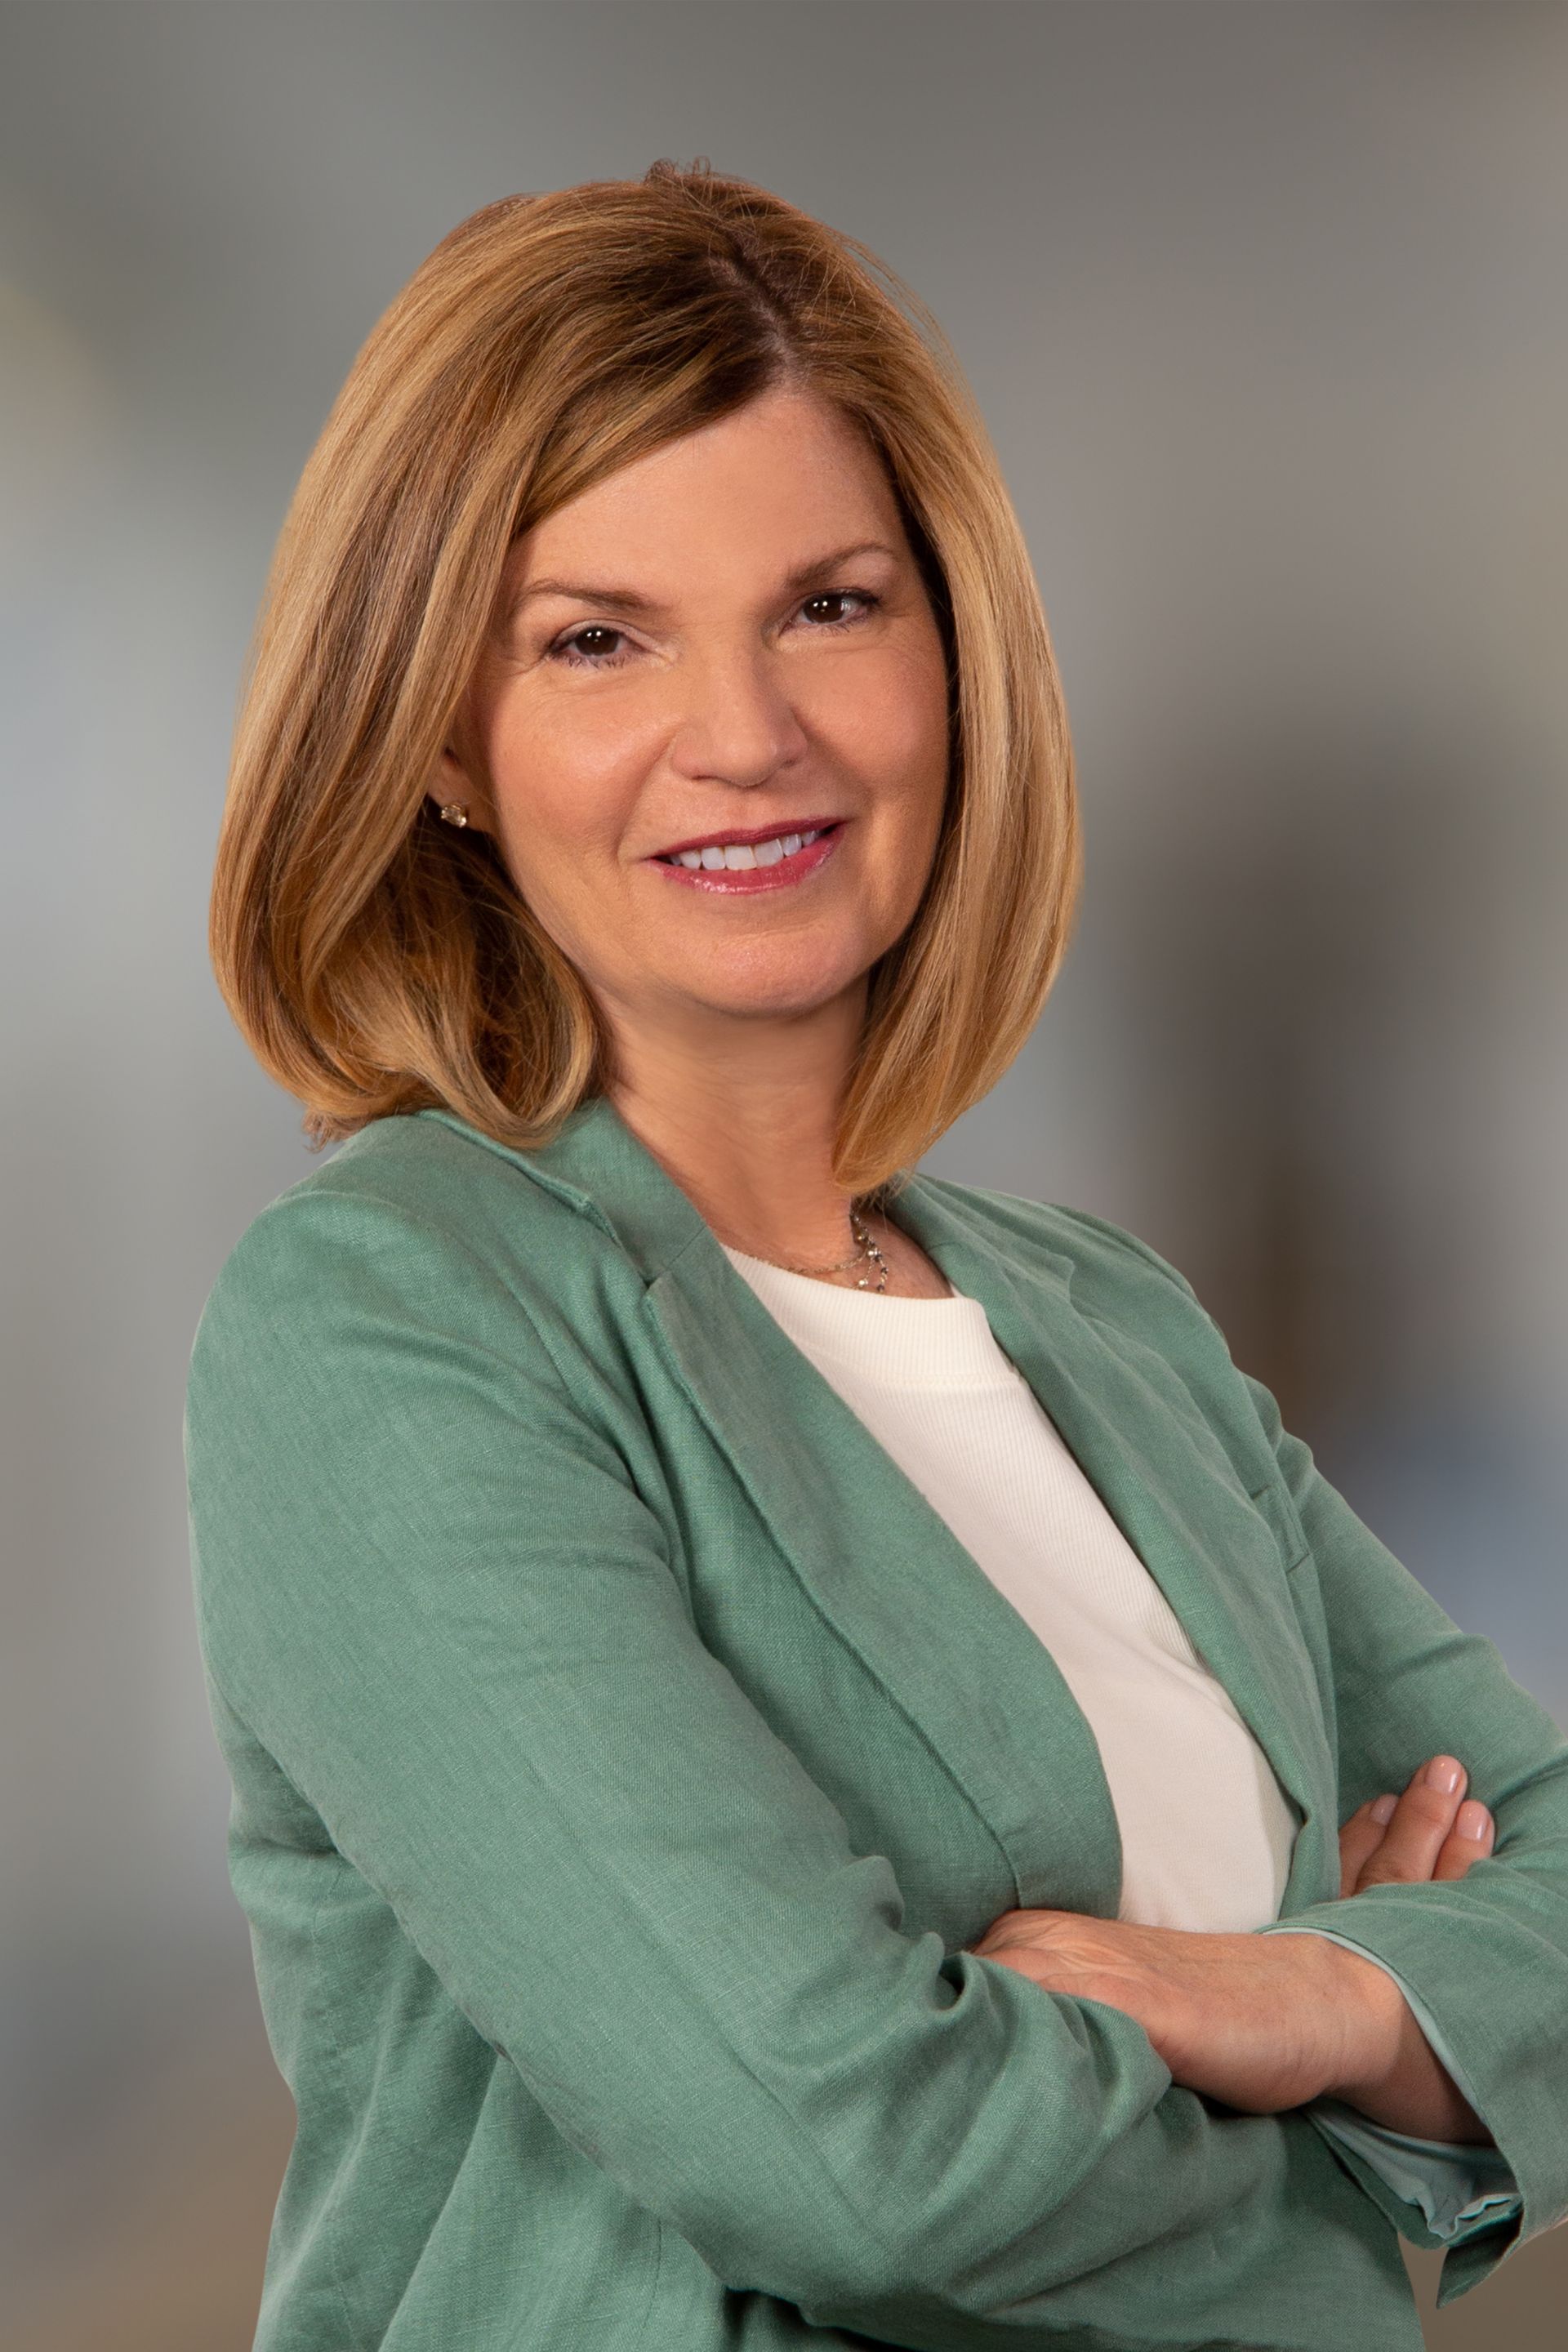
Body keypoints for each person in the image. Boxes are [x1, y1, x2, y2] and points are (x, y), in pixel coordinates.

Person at [185, 162, 1568, 2352]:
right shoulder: (391, 1321)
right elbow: (861, 2161)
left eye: (831, 604)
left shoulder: (1107, 1327)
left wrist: (1287, 1995)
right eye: (596, 637)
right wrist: (1380, 2069)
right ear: (441, 739)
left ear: (956, 654)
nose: (750, 733)